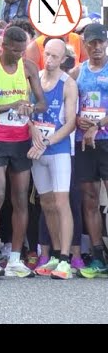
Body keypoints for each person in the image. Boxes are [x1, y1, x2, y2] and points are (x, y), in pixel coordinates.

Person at [0, 26, 46, 278]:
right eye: (14, 50)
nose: (18, 54)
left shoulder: (29, 68)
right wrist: (9, 106)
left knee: (21, 197)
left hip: (21, 139)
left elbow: (42, 102)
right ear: (3, 46)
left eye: (21, 50)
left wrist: (29, 108)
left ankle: (15, 259)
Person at [28, 39, 78, 280]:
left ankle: (66, 258)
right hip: (37, 150)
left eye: (54, 57)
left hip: (57, 151)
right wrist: (33, 132)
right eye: (46, 55)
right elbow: (25, 111)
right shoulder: (34, 78)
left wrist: (47, 141)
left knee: (61, 203)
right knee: (46, 204)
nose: (49, 61)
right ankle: (56, 254)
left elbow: (70, 123)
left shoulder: (68, 84)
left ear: (63, 60)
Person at [69, 23, 108, 278]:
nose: (95, 47)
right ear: (84, 45)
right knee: (90, 199)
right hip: (84, 143)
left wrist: (97, 124)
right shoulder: (77, 72)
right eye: (91, 43)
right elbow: (67, 104)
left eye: (100, 42)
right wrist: (76, 119)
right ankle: (96, 255)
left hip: (105, 139)